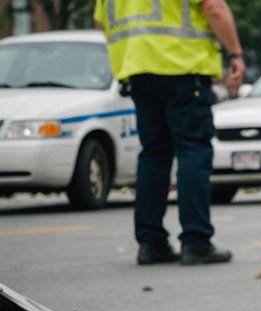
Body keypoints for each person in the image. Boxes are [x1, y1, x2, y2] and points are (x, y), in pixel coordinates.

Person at [94, 0, 243, 265]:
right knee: (193, 151)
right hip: (182, 68)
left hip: (137, 70)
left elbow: (101, 22)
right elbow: (214, 8)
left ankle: (151, 243)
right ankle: (196, 241)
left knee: (154, 154)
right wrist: (235, 54)